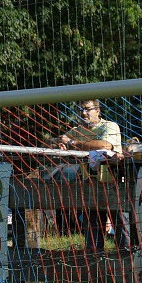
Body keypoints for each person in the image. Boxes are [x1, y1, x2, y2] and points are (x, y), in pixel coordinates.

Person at [52, 100, 123, 250]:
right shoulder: (78, 130)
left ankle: (129, 263)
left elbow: (105, 145)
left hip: (114, 187)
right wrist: (57, 143)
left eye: (87, 109)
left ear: (98, 110)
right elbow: (54, 141)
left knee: (122, 235)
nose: (83, 113)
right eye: (80, 110)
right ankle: (94, 267)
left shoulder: (109, 126)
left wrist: (72, 142)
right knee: (92, 239)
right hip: (89, 188)